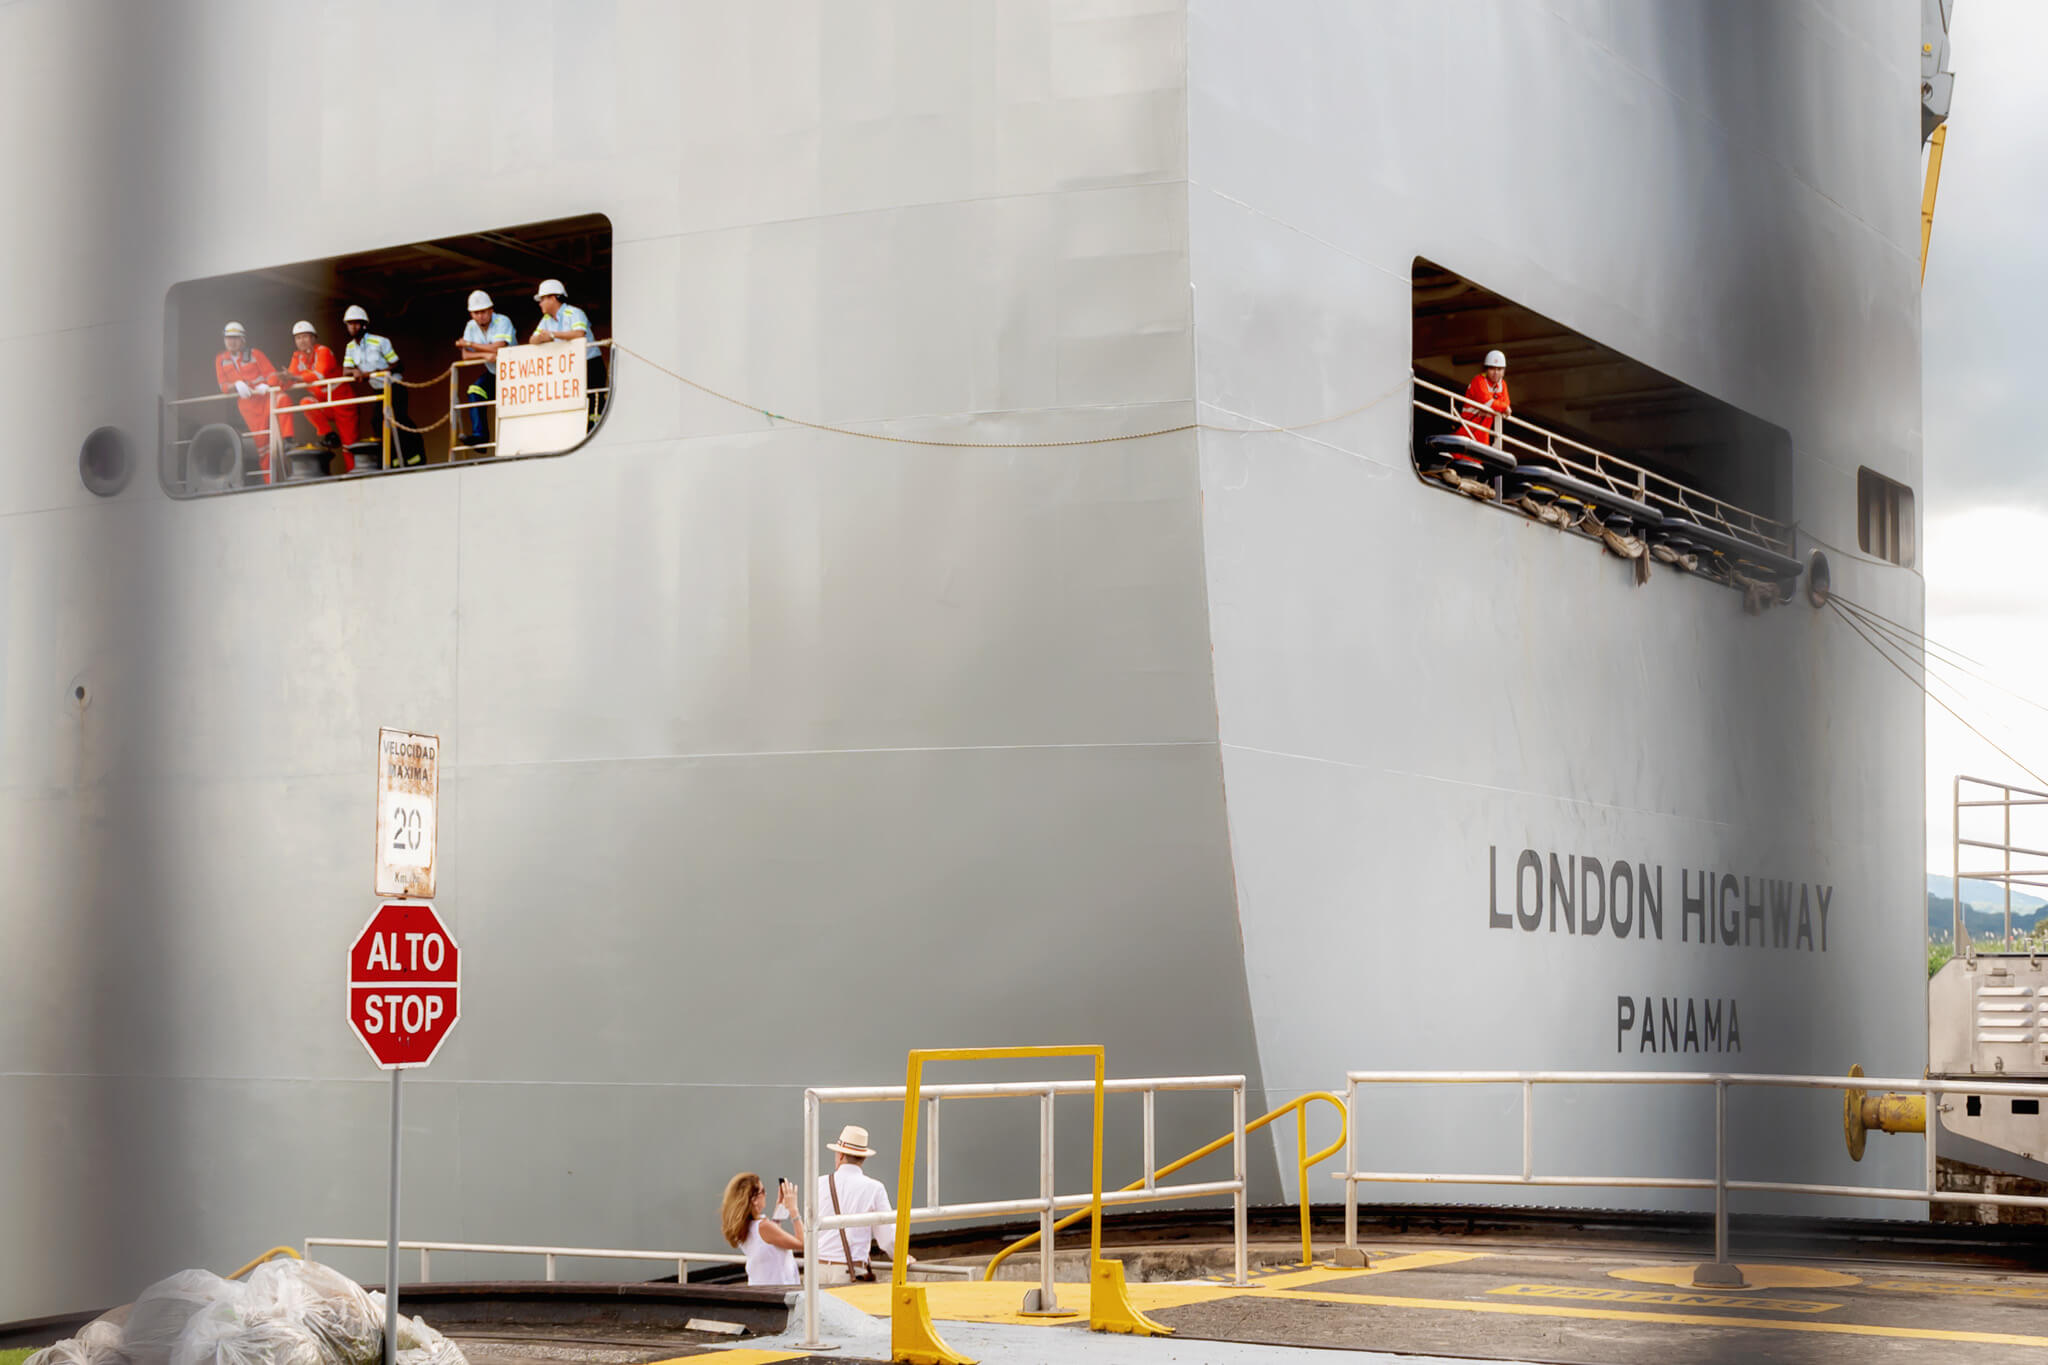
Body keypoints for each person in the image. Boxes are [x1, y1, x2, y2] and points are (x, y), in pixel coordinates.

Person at [813, 1125, 915, 1285]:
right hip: (850, 1271)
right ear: (863, 1157)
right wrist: (901, 1257)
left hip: (816, 1269)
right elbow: (887, 1237)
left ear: (840, 1155)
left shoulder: (818, 1183)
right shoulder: (874, 1188)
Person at [342, 305, 421, 469]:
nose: (353, 327)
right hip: (378, 390)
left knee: (399, 421)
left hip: (395, 387)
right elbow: (345, 371)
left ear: (364, 325)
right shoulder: (350, 347)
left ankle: (415, 456)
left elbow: (398, 365)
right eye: (350, 324)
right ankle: (391, 460)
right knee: (377, 423)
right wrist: (355, 371)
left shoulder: (380, 341)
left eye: (356, 323)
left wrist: (371, 373)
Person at [214, 321, 289, 479]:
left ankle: (288, 440)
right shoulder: (220, 359)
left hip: (265, 397)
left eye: (235, 338)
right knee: (262, 447)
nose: (231, 341)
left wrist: (266, 385)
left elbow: (272, 374)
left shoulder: (255, 354)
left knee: (283, 400)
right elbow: (223, 386)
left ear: (243, 340)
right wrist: (236, 385)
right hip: (247, 406)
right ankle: (270, 482)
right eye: (228, 338)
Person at [282, 320, 359, 473]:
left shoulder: (323, 351)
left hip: (343, 402)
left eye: (305, 336)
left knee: (349, 444)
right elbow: (289, 378)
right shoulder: (297, 357)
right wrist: (279, 379)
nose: (301, 341)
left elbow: (319, 374)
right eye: (298, 338)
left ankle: (354, 475)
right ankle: (329, 434)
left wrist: (295, 377)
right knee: (306, 403)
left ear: (313, 338)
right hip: (325, 403)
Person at [528, 277, 606, 425]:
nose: (540, 303)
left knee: (594, 405)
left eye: (542, 299)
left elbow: (579, 334)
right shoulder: (546, 319)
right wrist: (542, 338)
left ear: (552, 298)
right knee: (577, 404)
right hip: (571, 369)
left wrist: (552, 335)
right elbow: (532, 340)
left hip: (590, 364)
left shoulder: (574, 313)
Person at [720, 1172, 805, 1286]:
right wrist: (794, 1211)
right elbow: (804, 1244)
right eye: (763, 1191)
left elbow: (769, 1243)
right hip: (779, 1293)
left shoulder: (744, 1226)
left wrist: (780, 1208)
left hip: (760, 1289)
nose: (766, 1194)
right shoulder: (763, 1227)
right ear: (754, 1199)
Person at [456, 289, 517, 448]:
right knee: (475, 391)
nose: (480, 316)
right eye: (476, 313)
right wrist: (484, 355)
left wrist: (470, 344)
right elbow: (465, 356)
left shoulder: (502, 321)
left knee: (514, 407)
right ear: (471, 314)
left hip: (516, 373)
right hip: (494, 372)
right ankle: (480, 438)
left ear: (491, 310)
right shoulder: (471, 326)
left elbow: (499, 346)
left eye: (483, 311)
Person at [1459, 349, 1511, 447]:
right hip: (1469, 424)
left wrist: (1501, 406)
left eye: (1499, 369)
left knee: (1479, 456)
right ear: (1486, 370)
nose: (1495, 372)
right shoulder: (1478, 381)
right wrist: (1502, 407)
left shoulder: (1502, 384)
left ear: (1504, 371)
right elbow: (1487, 402)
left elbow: (1506, 402)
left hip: (1484, 428)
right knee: (1464, 454)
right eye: (1492, 368)